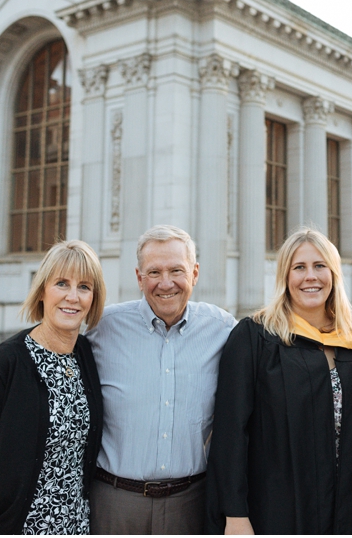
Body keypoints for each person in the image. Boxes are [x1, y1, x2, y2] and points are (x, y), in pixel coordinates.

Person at [205, 227, 352, 534]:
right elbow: (230, 433)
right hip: (276, 508)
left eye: (320, 266)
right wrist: (235, 514)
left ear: (334, 274)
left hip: (349, 507)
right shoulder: (255, 337)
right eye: (299, 267)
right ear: (285, 276)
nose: (311, 276)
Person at [0, 239, 106, 534]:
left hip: (76, 527)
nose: (73, 296)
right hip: (19, 527)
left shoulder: (86, 355)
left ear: (93, 298)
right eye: (62, 283)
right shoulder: (5, 363)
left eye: (84, 287)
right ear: (42, 290)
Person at [85, 224, 235, 534]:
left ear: (194, 273)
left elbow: (275, 343)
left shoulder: (222, 328)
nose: (165, 283)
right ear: (139, 278)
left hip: (190, 505)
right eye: (154, 272)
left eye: (176, 270)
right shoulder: (103, 328)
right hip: (114, 505)